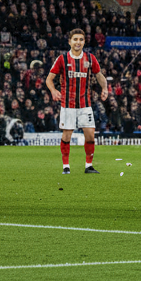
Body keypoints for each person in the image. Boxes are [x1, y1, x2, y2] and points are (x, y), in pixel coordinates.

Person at [46, 28, 108, 174]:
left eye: (80, 39)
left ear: (84, 42)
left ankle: (88, 166)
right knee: (67, 135)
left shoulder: (90, 58)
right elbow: (49, 79)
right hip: (68, 105)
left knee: (90, 135)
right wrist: (54, 90)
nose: (78, 42)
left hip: (85, 104)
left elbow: (99, 75)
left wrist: (104, 88)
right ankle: (66, 166)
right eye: (75, 39)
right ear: (70, 42)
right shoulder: (62, 59)